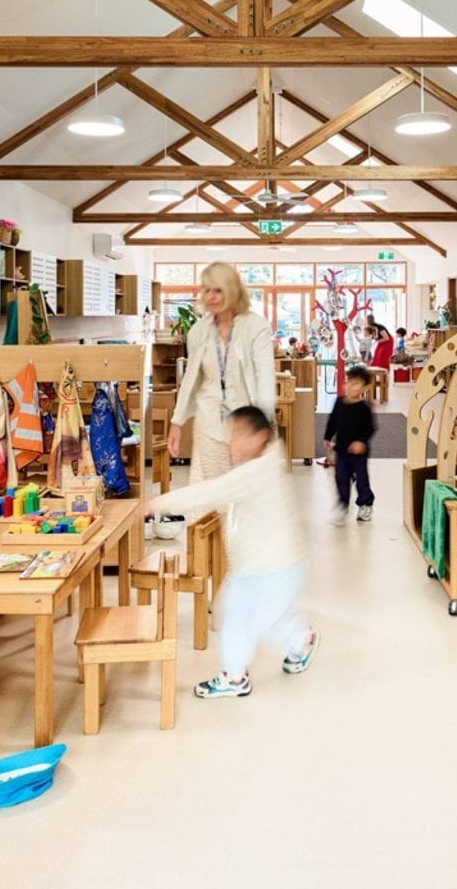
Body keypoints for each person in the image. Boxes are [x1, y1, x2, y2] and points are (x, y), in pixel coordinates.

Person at [152, 406, 318, 699]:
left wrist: (158, 503)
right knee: (248, 615)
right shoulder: (264, 464)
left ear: (261, 437)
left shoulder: (254, 473)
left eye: (239, 436)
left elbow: (209, 491)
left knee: (248, 619)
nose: (232, 443)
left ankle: (237, 674)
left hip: (268, 566)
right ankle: (297, 640)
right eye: (231, 436)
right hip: (265, 564)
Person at [168, 262, 277, 485]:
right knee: (207, 497)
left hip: (244, 426)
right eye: (206, 290)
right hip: (208, 423)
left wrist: (262, 425)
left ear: (232, 290)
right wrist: (177, 422)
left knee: (242, 497)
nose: (211, 296)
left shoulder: (256, 327)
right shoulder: (199, 331)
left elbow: (265, 377)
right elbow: (191, 378)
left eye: (218, 289)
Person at [324, 365, 376, 524]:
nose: (350, 386)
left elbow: (370, 428)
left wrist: (361, 442)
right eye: (348, 382)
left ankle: (366, 503)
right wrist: (327, 437)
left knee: (361, 479)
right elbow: (333, 420)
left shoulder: (364, 408)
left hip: (359, 454)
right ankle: (343, 505)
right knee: (341, 478)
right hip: (342, 451)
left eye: (356, 383)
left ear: (365, 387)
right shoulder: (339, 402)